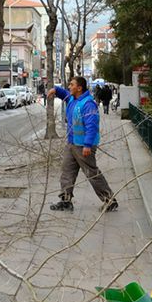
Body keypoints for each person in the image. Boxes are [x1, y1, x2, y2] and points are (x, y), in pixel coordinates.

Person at [46, 76, 117, 212]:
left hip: (83, 146)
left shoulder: (88, 104)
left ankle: (109, 200)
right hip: (72, 143)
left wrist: (88, 145)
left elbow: (92, 126)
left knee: (92, 173)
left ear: (79, 88)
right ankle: (66, 200)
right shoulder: (74, 99)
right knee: (67, 171)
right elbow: (65, 94)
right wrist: (55, 90)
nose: (69, 87)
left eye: (72, 85)